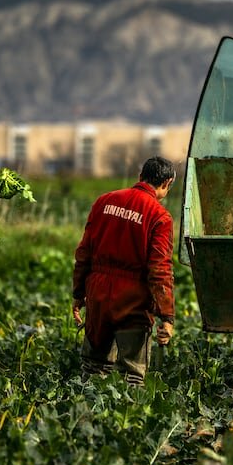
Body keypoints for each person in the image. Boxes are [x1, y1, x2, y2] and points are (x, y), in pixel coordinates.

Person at [72, 157, 176, 386]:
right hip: (133, 300)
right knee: (132, 374)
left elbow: (84, 252)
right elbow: (160, 269)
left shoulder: (104, 201)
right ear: (167, 183)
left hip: (98, 294)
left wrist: (78, 294)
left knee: (93, 368)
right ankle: (127, 419)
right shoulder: (160, 217)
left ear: (140, 177)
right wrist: (166, 316)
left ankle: (87, 417)